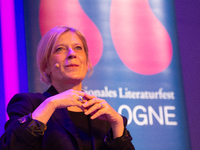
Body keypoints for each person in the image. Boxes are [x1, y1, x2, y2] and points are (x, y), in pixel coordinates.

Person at [0, 26, 135, 150]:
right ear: (45, 66)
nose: (72, 54)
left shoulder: (101, 116)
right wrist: (51, 104)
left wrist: (118, 126)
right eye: (60, 49)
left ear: (86, 62)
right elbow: (9, 146)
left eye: (78, 48)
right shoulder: (30, 104)